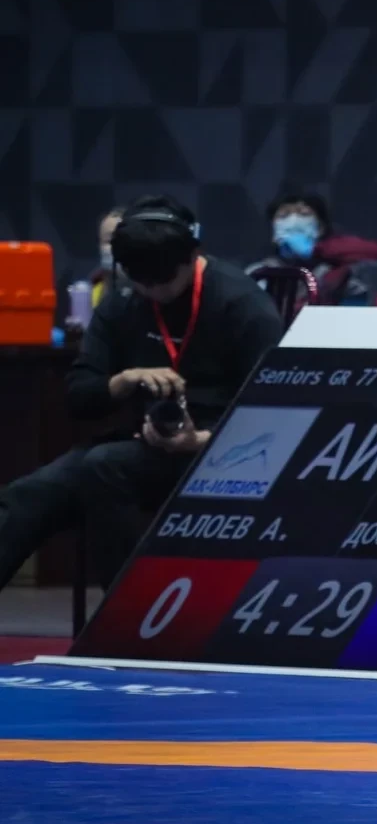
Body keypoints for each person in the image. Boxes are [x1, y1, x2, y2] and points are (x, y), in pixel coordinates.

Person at [0, 198, 282, 594]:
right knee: (28, 496)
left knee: (104, 467)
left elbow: (275, 412)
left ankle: (129, 612)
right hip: (142, 442)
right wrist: (123, 381)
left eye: (163, 280)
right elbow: (78, 397)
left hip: (224, 449)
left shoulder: (242, 304)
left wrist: (200, 440)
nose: (152, 290)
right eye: (139, 279)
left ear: (192, 256)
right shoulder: (124, 300)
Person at [247, 190, 377, 307]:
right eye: (284, 216)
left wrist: (315, 250)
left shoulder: (332, 272)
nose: (293, 220)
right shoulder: (259, 273)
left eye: (304, 214)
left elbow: (376, 252)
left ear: (320, 228)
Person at [88, 206, 124, 311]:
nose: (116, 245)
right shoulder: (90, 292)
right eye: (109, 240)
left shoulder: (152, 291)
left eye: (122, 239)